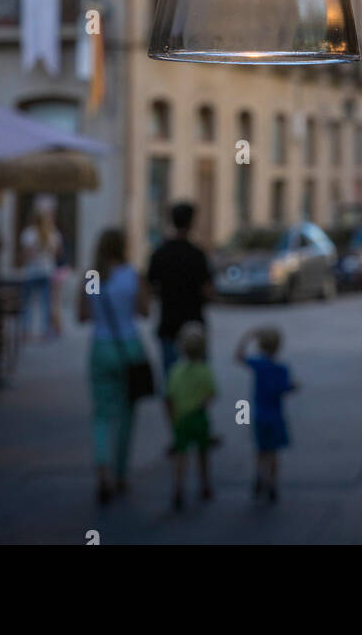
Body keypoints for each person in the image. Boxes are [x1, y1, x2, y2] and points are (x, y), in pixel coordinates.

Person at [79, 227, 151, 504]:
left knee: (101, 414)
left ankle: (102, 471)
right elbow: (144, 311)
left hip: (100, 347)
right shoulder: (133, 275)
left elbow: (82, 315)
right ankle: (121, 475)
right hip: (129, 346)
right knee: (126, 415)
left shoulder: (93, 276)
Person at [147, 202, 213, 378]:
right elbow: (208, 290)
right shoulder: (197, 254)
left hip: (169, 322)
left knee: (172, 380)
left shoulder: (159, 253)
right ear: (191, 223)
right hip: (194, 323)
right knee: (197, 379)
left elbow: (150, 286)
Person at [235, 326, 297, 503]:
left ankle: (259, 476)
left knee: (260, 451)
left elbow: (239, 357)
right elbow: (284, 389)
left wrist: (247, 336)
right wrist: (293, 387)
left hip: (259, 415)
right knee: (273, 452)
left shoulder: (258, 364)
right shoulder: (282, 368)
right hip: (276, 417)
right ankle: (272, 483)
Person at [165, 321, 217, 511]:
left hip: (181, 418)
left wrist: (173, 418)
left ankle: (178, 487)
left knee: (181, 455)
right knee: (203, 453)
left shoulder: (176, 371)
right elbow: (212, 394)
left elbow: (169, 397)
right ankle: (205, 485)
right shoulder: (205, 370)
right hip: (199, 417)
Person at [20, 202, 62, 339]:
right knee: (46, 304)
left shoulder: (28, 233)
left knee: (27, 304)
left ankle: (26, 330)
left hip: (32, 271)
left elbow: (26, 254)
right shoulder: (52, 233)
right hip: (47, 270)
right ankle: (45, 331)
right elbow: (57, 253)